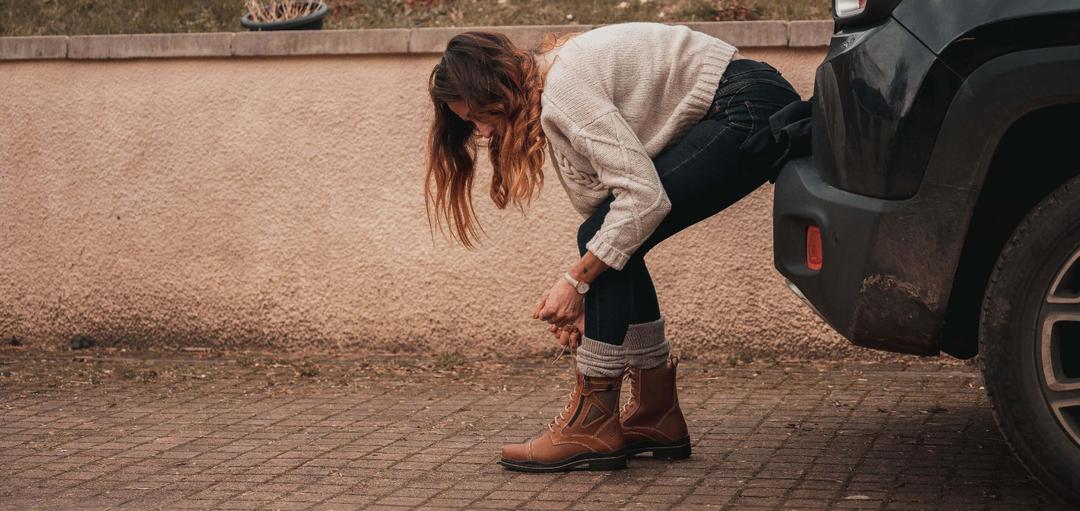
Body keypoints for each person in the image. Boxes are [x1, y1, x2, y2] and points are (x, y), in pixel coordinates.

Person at [424, 21, 800, 473]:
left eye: (476, 117)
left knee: (605, 235)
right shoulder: (552, 89)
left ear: (492, 93)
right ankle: (655, 414)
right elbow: (610, 217)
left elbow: (642, 200)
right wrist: (596, 298)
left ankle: (593, 424)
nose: (481, 133)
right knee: (609, 237)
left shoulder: (564, 91)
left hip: (747, 108)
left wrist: (576, 284)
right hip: (743, 101)